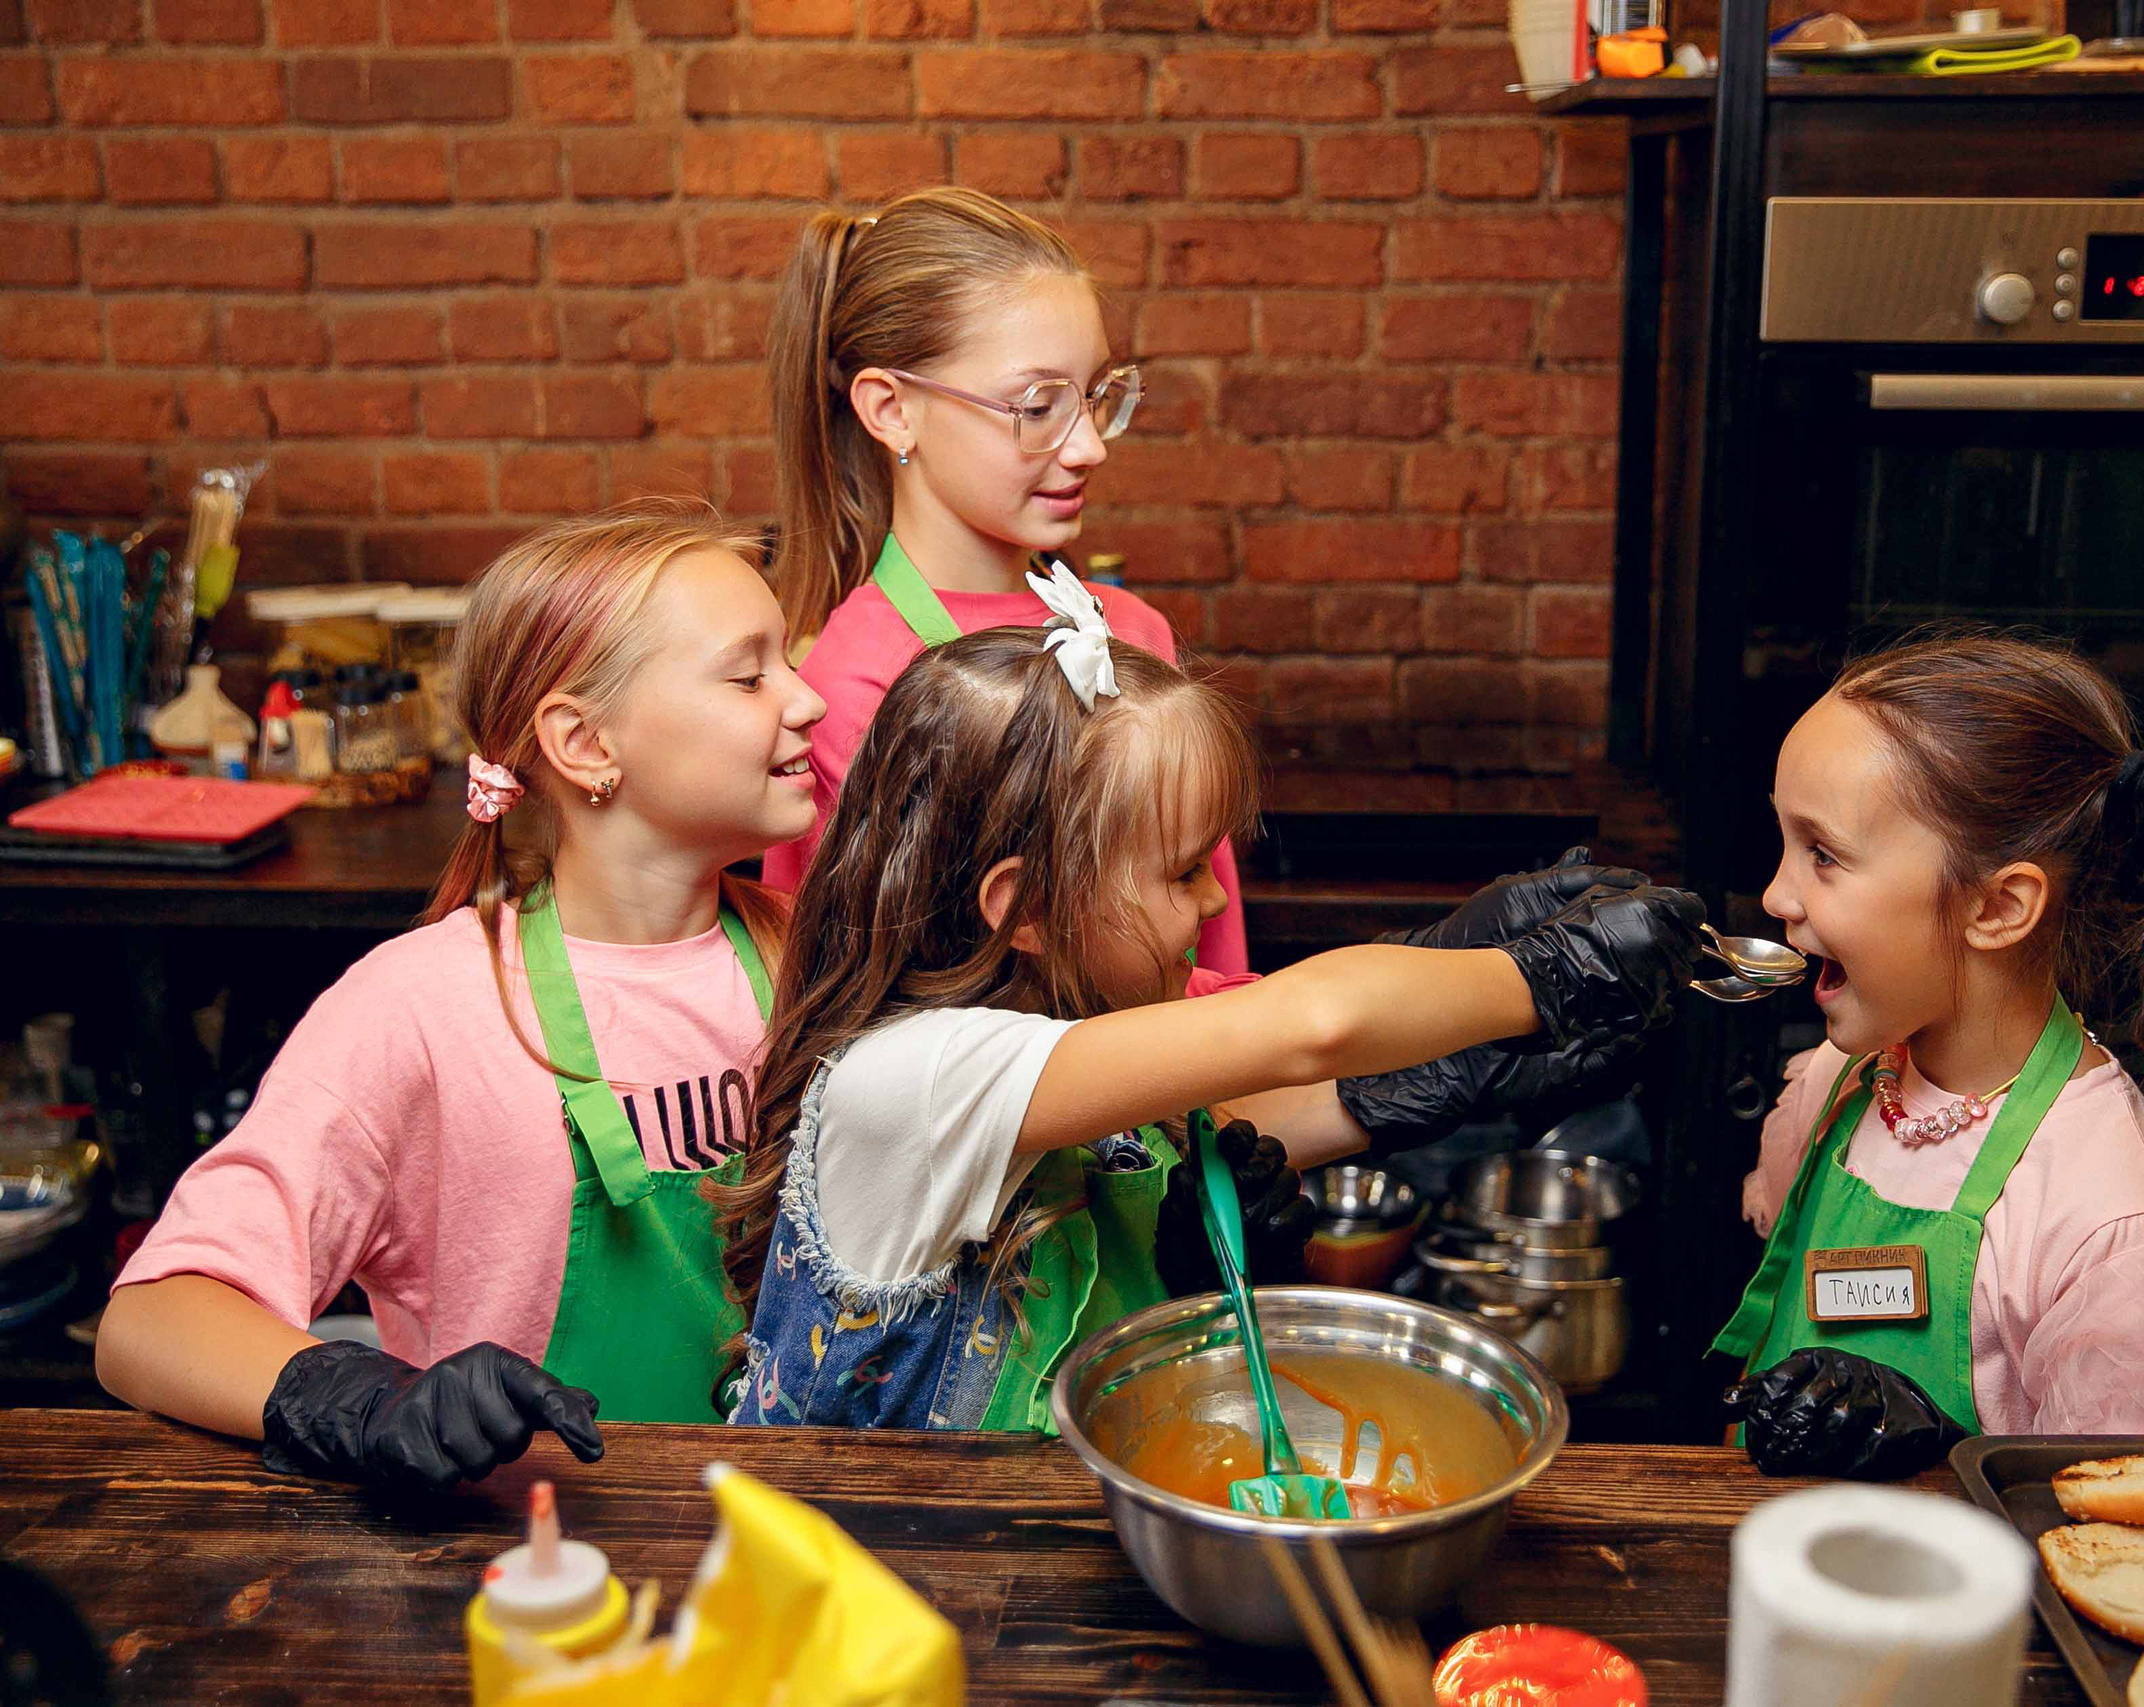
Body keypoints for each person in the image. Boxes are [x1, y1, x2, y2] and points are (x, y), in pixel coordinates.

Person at [716, 587, 1709, 1432]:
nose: (1215, 900)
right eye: (1185, 869)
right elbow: (1304, 1028)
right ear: (1022, 909)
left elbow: (1292, 1098)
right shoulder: (913, 1081)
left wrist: (1454, 1050)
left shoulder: (1075, 1043)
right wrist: (1535, 976)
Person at [94, 502, 827, 1491]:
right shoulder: (420, 1011)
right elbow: (147, 1321)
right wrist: (369, 1399)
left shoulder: (813, 959)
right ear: (583, 744)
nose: (809, 701)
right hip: (536, 1573)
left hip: (796, 1536)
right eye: (749, 675)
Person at [1712, 632, 2144, 1478]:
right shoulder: (1834, 1088)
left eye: (1822, 854)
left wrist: (1949, 1455)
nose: (1776, 895)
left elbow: (2129, 1543)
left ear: (2000, 907)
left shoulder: (2118, 1237)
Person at [758, 187, 1247, 980]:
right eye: (1038, 405)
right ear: (891, 410)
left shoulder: (1135, 631)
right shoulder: (855, 688)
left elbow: (1211, 938)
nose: (1089, 445)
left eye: (1094, 395)